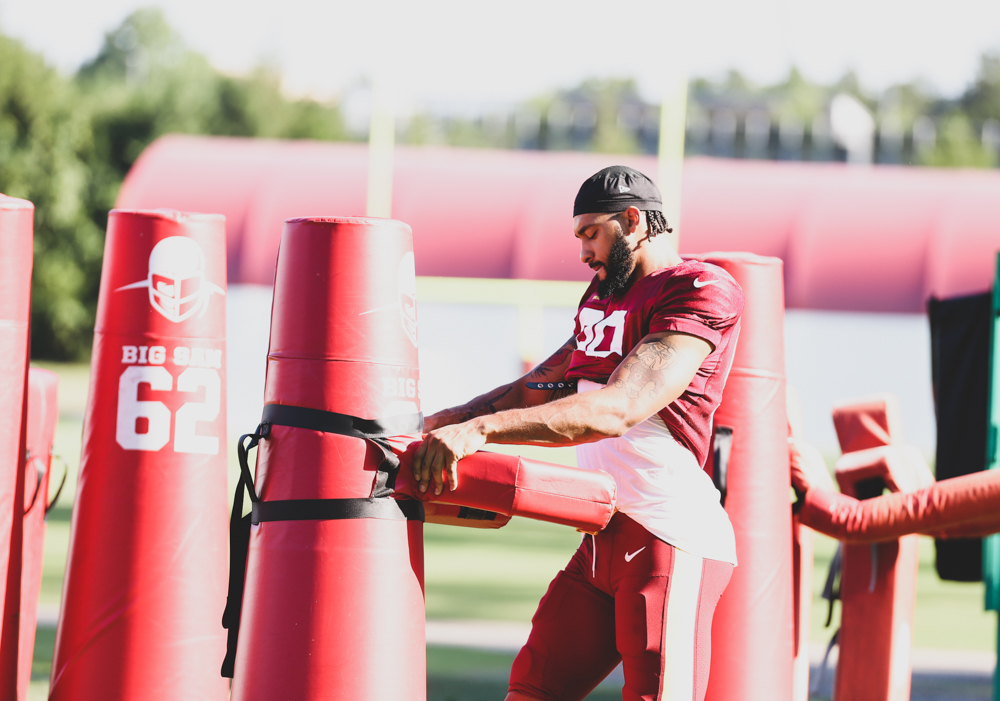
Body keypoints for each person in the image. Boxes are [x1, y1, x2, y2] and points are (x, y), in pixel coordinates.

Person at [413, 165, 743, 701]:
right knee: (532, 690)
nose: (584, 252)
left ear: (633, 220)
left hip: (667, 536)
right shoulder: (602, 297)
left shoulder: (699, 288)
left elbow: (619, 409)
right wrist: (438, 422)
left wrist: (481, 430)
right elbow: (540, 388)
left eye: (591, 233)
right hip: (601, 539)